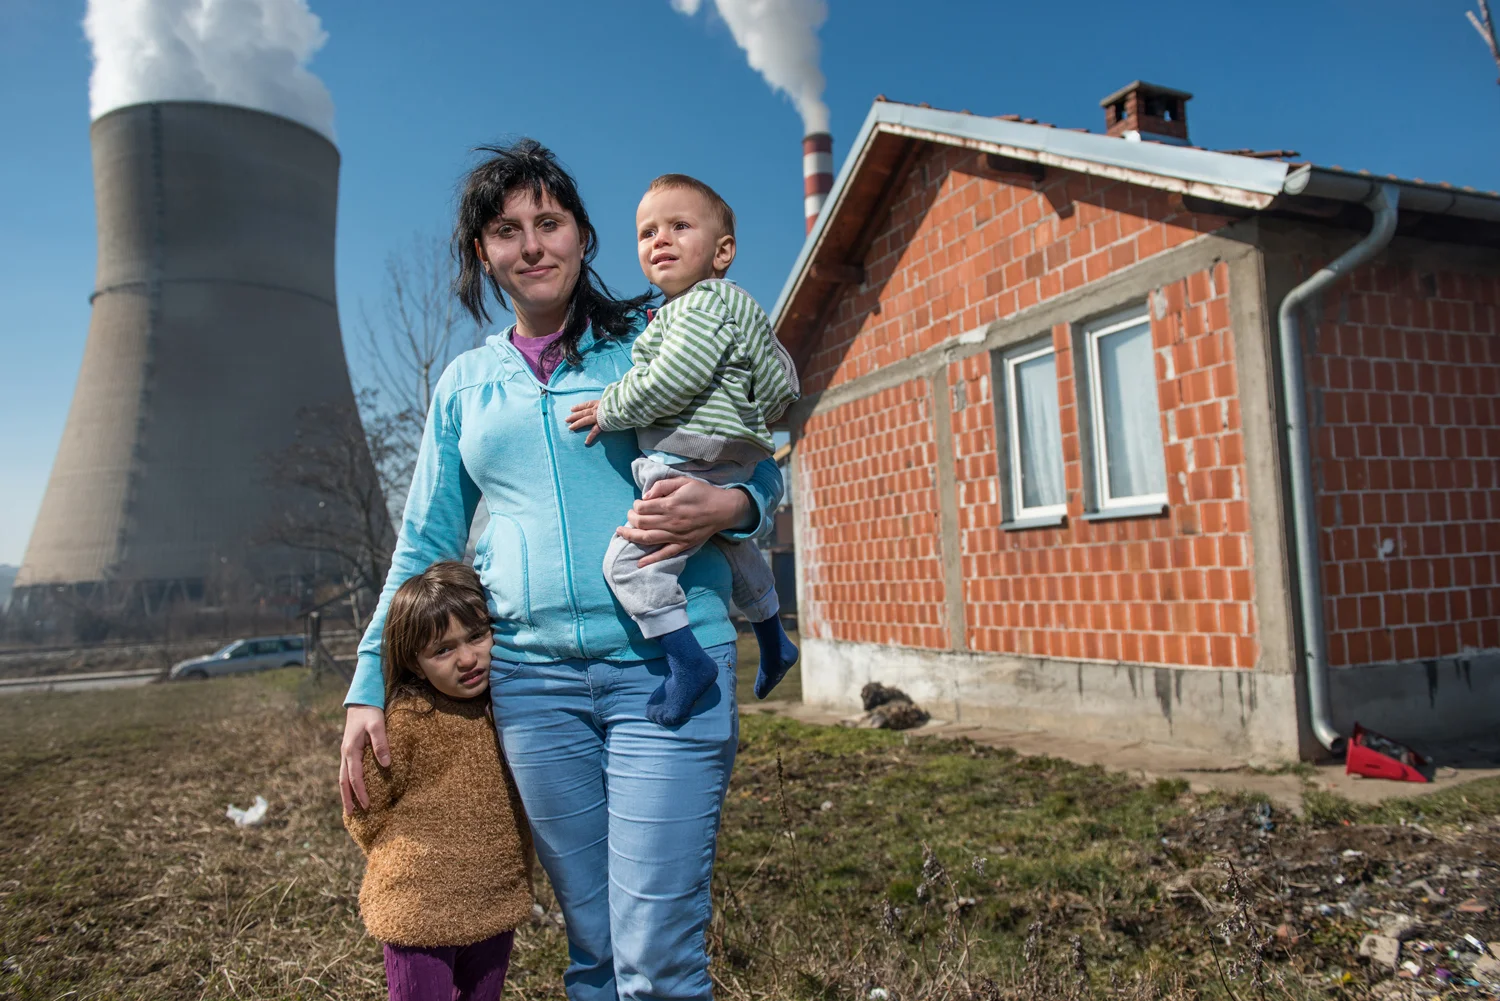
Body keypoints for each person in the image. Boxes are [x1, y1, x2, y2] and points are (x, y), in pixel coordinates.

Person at [338, 138, 785, 1001]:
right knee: (597, 953)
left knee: (656, 956)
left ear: (583, 235)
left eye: (551, 222)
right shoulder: (466, 384)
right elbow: (426, 542)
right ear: (484, 253)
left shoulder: (658, 340)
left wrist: (734, 508)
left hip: (666, 667)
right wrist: (367, 682)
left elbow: (759, 460)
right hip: (534, 688)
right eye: (508, 230)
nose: (532, 245)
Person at [565, 175, 800, 727]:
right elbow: (780, 383)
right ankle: (773, 637)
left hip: (690, 453)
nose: (660, 240)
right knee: (733, 549)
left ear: (722, 251)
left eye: (679, 226)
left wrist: (609, 407)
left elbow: (674, 378)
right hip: (728, 454)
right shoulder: (735, 306)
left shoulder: (698, 305)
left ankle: (688, 664)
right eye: (647, 232)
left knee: (628, 566)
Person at [344, 561, 533, 1001]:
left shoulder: (511, 707)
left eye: (476, 636)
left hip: (494, 900)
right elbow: (364, 806)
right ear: (414, 660)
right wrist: (405, 859)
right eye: (442, 650)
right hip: (417, 909)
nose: (467, 658)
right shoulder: (405, 721)